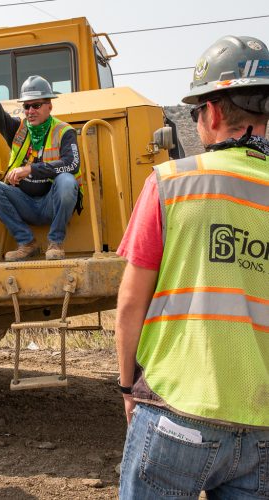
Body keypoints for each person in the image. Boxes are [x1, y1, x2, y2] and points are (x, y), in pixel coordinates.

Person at [115, 35, 269, 499]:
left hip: (175, 411)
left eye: (198, 110)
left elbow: (129, 303)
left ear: (215, 111)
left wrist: (127, 387)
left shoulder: (170, 183)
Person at [0, 75, 82, 261]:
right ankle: (26, 242)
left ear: (49, 106)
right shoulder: (19, 129)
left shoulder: (64, 131)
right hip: (24, 203)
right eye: (26, 106)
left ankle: (56, 242)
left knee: (67, 180)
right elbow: (0, 120)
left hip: (52, 203)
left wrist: (31, 169)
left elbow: (72, 164)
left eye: (36, 105)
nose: (30, 111)